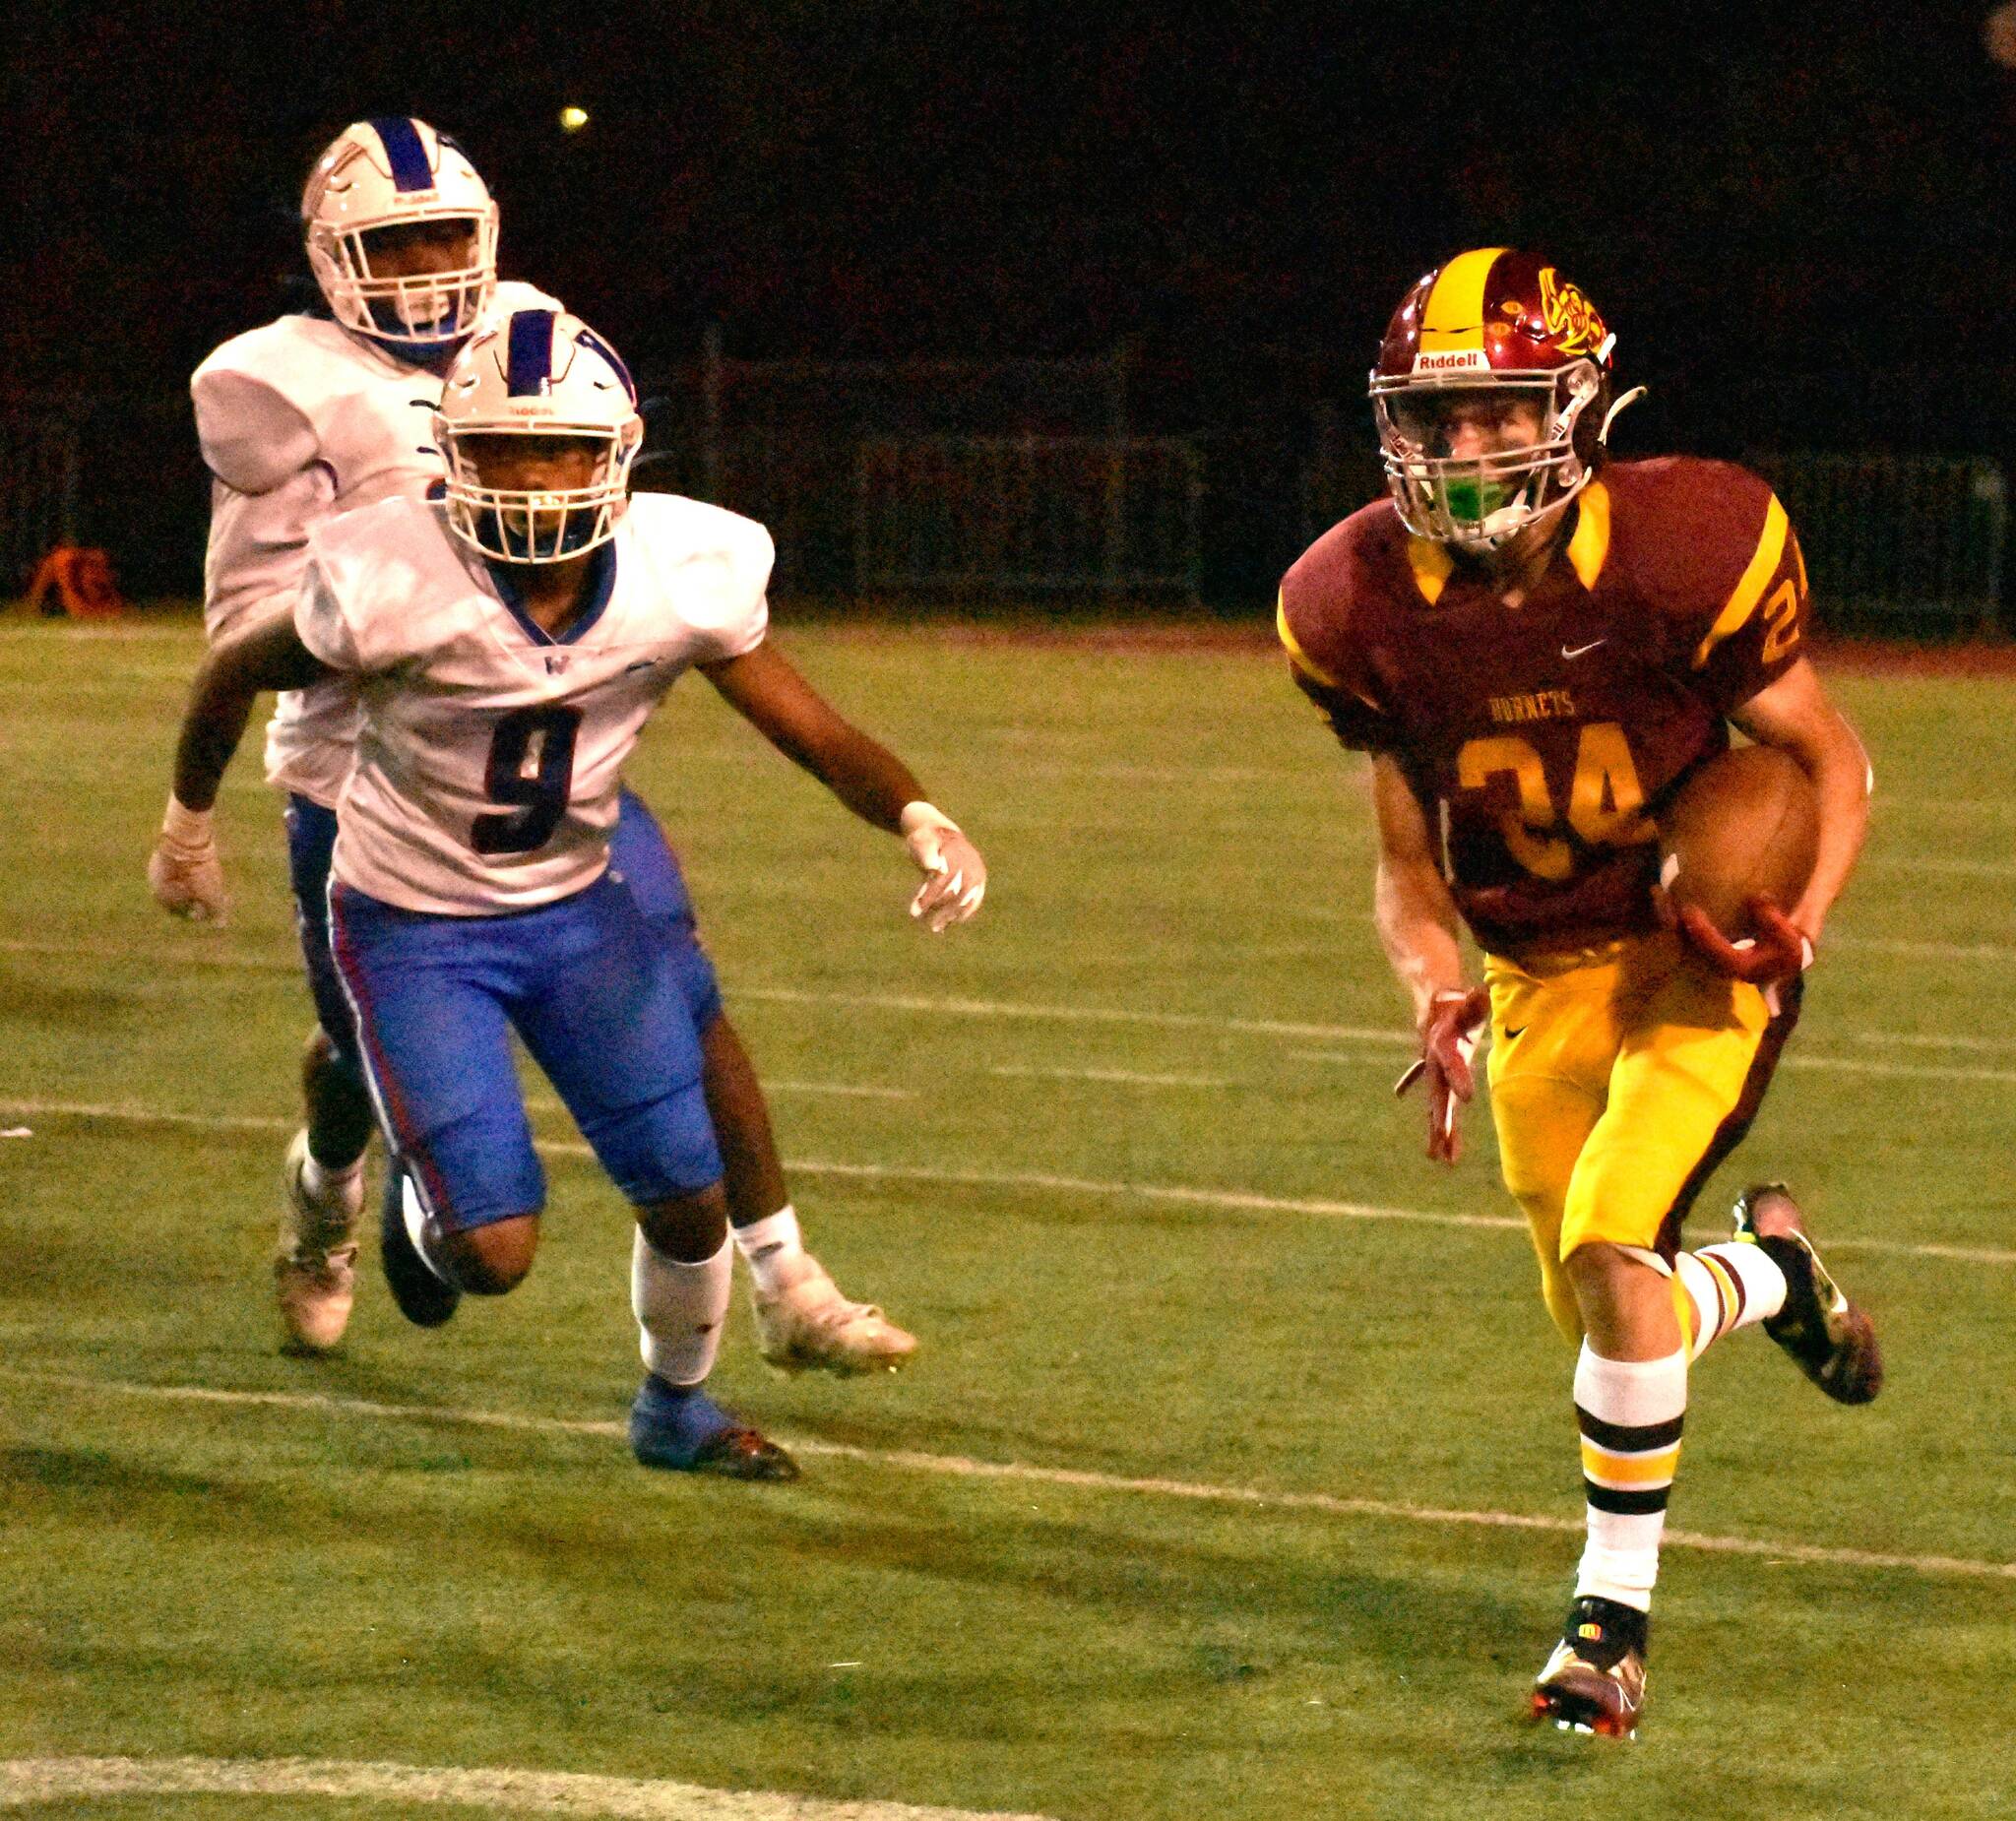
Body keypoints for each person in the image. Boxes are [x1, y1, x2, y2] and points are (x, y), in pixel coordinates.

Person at [151, 307, 986, 1477]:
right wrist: (189, 818)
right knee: (491, 1253)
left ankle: (675, 1409)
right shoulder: (390, 571)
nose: (536, 482)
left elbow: (809, 727)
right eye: (505, 452)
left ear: (620, 455)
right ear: (453, 454)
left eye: (561, 453)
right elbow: (236, 661)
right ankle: (421, 1191)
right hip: (411, 925)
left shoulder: (679, 569)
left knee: (689, 1192)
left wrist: (914, 810)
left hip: (574, 903)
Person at [1277, 248, 1882, 1737]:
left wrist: (1794, 919)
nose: (1468, 450)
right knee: (1614, 1316)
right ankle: (1774, 1278)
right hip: (1532, 973)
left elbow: (1829, 759)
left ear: (1581, 408)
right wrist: (1431, 981)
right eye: (1438, 418)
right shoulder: (1346, 600)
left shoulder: (1686, 544)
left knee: (1615, 1239)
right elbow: (1407, 863)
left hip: (1690, 959)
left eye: (1501, 414)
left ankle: (1607, 1628)